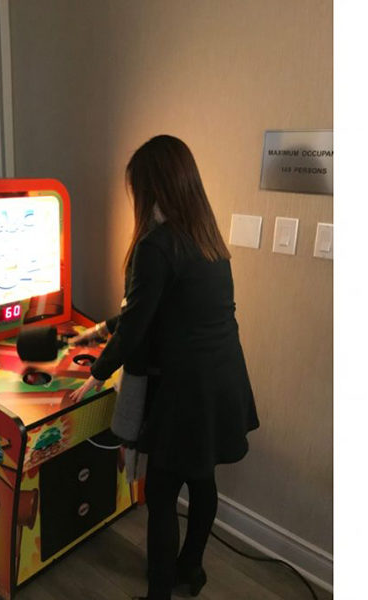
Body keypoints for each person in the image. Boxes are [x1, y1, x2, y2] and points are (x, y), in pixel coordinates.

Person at [70, 134, 259, 600]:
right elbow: (155, 307)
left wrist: (94, 373)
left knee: (160, 492)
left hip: (187, 389)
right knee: (202, 479)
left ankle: (158, 594)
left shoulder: (157, 244)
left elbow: (137, 328)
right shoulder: (206, 235)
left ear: (154, 187)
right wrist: (100, 331)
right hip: (224, 377)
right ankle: (191, 571)